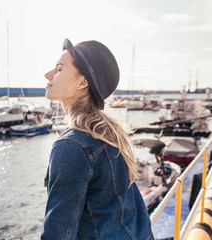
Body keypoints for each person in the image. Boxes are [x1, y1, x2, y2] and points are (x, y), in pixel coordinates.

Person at [41, 38, 154, 240]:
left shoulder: (71, 146)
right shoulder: (110, 134)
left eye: (59, 69)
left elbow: (58, 233)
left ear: (82, 82)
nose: (48, 74)